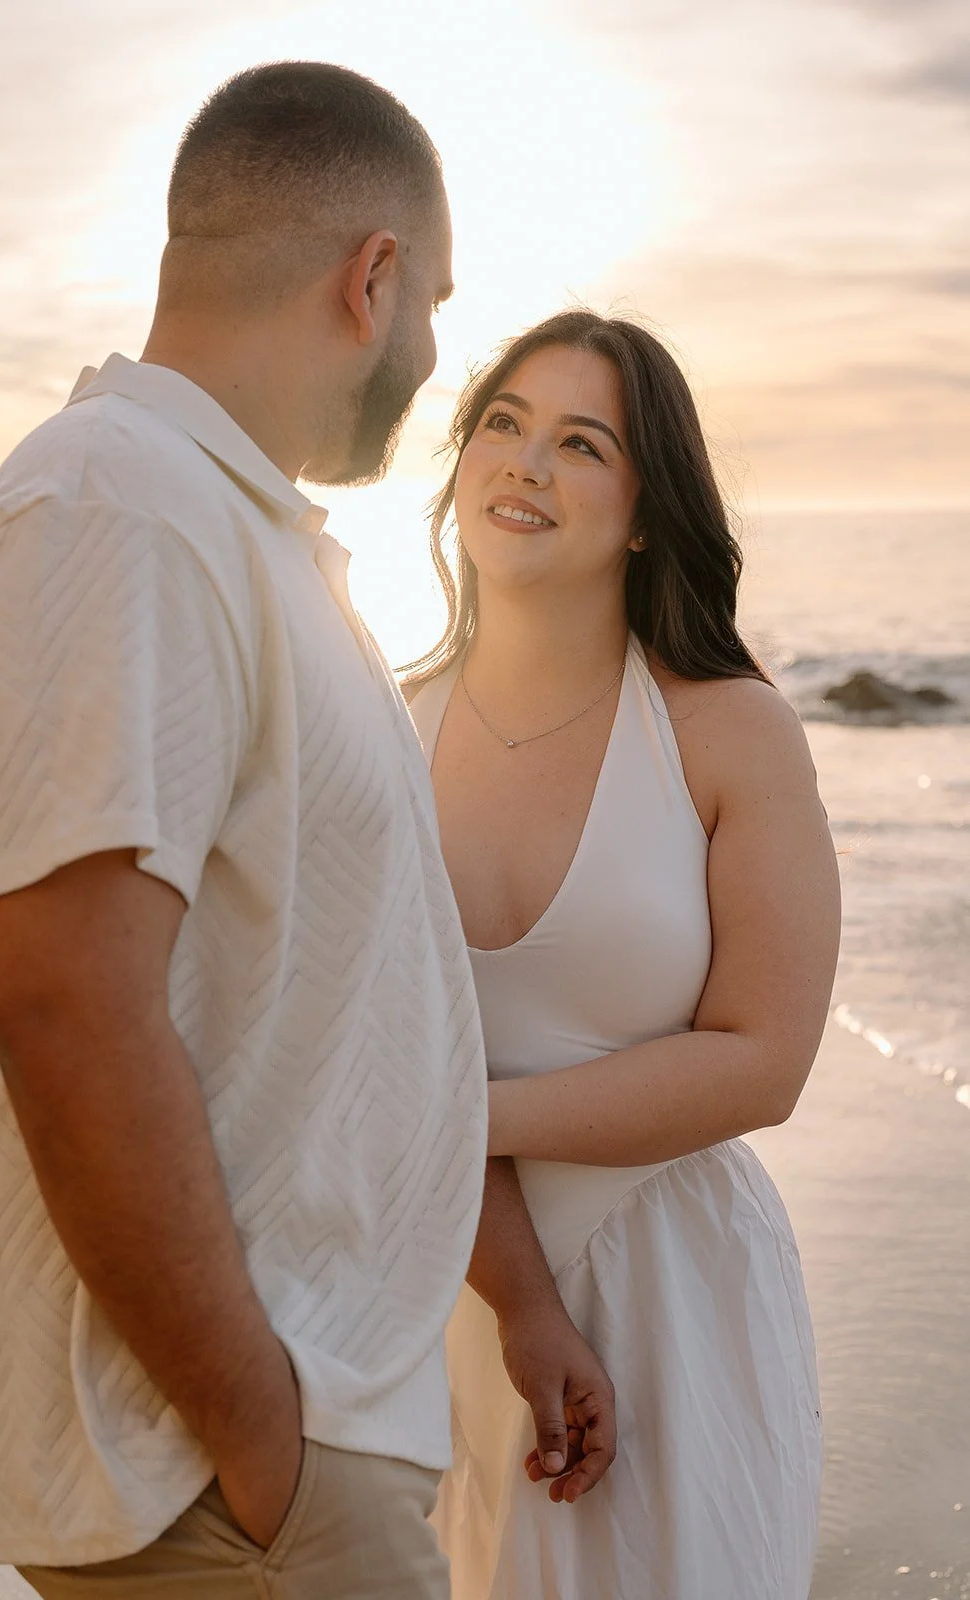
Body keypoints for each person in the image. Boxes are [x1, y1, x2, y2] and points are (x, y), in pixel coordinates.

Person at [0, 68, 613, 1600]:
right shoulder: (114, 513)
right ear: (372, 280)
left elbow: (332, 1012)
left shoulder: (231, 535)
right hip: (216, 1472)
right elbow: (62, 1004)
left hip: (279, 1444)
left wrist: (501, 1301)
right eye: (433, 306)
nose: (429, 355)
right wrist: (258, 1439)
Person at [406, 309, 841, 1600]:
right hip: (441, 1293)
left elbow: (763, 1062)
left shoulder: (727, 730)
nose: (526, 462)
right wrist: (523, 1305)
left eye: (581, 443)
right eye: (503, 422)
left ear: (647, 513)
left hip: (674, 1299)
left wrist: (459, 1121)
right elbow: (382, 1048)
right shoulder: (381, 731)